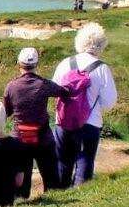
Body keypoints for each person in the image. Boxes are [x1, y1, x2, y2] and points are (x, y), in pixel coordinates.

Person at [51, 22, 119, 187]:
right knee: (85, 160)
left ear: (79, 41)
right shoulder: (102, 68)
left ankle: (60, 194)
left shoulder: (65, 63)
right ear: (101, 44)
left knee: (62, 161)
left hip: (64, 121)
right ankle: (81, 197)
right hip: (90, 123)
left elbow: (54, 90)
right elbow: (110, 101)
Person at [4, 47, 71, 199]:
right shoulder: (44, 84)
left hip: (19, 139)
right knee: (51, 176)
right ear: (36, 65)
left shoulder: (11, 86)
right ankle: (52, 197)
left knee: (21, 179)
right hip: (43, 137)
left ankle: (22, 202)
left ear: (19, 64)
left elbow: (6, 112)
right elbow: (64, 92)